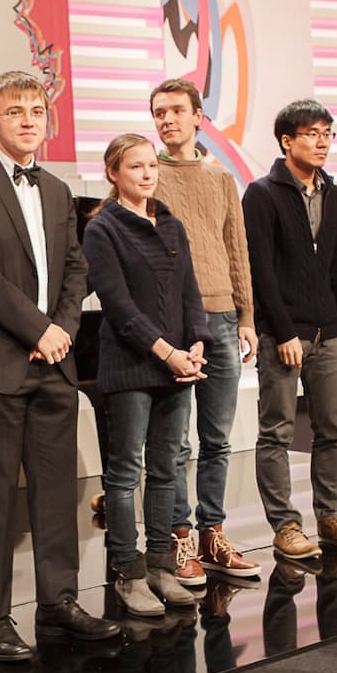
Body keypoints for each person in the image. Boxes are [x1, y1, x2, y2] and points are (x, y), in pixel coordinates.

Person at [0, 70, 121, 661]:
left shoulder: (58, 189)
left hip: (54, 362)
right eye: (15, 111)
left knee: (56, 490)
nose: (28, 120)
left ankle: (59, 602)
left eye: (37, 111)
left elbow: (75, 268)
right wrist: (37, 328)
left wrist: (63, 331)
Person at [84, 132, 213, 616]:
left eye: (150, 166)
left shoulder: (171, 223)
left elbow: (189, 291)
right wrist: (166, 352)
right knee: (124, 474)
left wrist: (197, 341)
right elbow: (117, 306)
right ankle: (128, 572)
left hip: (178, 364)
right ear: (114, 173)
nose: (146, 174)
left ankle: (161, 565)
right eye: (135, 167)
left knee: (167, 469)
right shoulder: (103, 229)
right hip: (133, 366)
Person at [148, 78, 261, 583]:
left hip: (221, 316)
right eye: (158, 112)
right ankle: (180, 537)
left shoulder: (220, 177)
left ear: (198, 117)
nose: (166, 120)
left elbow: (236, 247)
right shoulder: (147, 173)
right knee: (176, 442)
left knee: (217, 438)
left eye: (175, 110)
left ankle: (214, 531)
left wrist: (248, 317)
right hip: (173, 323)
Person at [244, 99, 337, 562]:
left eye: (327, 134)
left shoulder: (333, 193)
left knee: (334, 428)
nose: (322, 143)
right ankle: (285, 525)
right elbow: (261, 270)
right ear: (287, 141)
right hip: (283, 333)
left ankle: (330, 516)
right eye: (312, 134)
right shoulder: (262, 193)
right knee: (276, 431)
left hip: (328, 331)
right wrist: (283, 330)